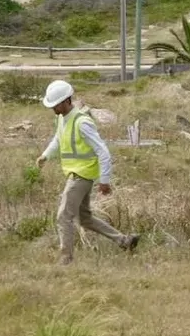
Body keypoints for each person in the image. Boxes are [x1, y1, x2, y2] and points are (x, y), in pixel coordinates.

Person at [35, 79, 139, 264]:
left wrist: (104, 180)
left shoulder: (82, 122)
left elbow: (103, 151)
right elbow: (58, 139)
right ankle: (124, 240)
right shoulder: (62, 119)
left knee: (63, 216)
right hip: (76, 174)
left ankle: (66, 259)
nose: (53, 108)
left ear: (67, 101)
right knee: (84, 219)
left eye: (56, 104)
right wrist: (45, 155)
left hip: (81, 175)